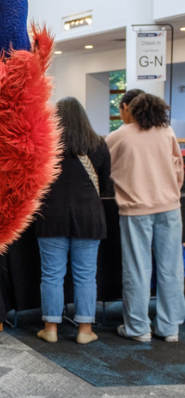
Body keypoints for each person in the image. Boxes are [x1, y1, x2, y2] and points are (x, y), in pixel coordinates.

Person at [106, 89, 185, 343]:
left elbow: (103, 167)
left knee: (138, 268)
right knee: (171, 268)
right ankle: (170, 327)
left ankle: (138, 328)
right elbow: (178, 170)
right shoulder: (167, 133)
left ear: (130, 109)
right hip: (170, 208)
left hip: (136, 210)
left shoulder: (119, 136)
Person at [34, 97, 110, 344]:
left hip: (51, 216)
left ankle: (51, 328)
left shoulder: (45, 145)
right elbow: (106, 184)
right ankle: (85, 330)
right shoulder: (99, 145)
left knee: (52, 275)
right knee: (86, 275)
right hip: (89, 217)